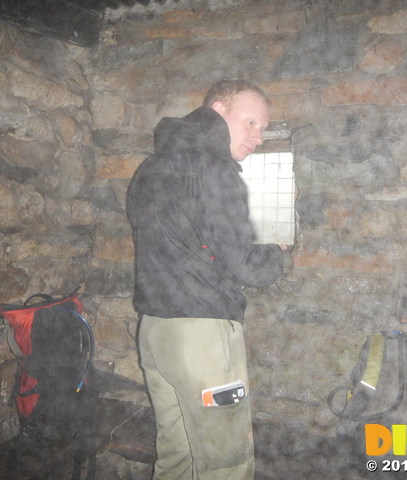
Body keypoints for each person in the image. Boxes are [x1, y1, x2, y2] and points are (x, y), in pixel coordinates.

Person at [126, 78, 285, 480]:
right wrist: (278, 257)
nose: (258, 137)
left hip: (155, 332)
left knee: (176, 455)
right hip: (201, 338)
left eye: (262, 129)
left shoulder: (152, 167)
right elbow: (246, 265)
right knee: (224, 462)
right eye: (251, 122)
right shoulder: (213, 166)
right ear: (218, 109)